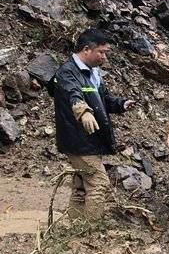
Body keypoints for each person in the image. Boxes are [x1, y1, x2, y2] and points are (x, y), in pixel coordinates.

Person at [51, 29, 137, 220]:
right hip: (78, 140)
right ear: (86, 49)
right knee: (98, 183)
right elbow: (73, 94)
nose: (104, 57)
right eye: (101, 52)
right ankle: (90, 229)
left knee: (81, 185)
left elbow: (102, 99)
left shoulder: (93, 73)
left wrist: (121, 104)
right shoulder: (67, 72)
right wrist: (83, 111)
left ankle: (75, 224)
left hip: (90, 139)